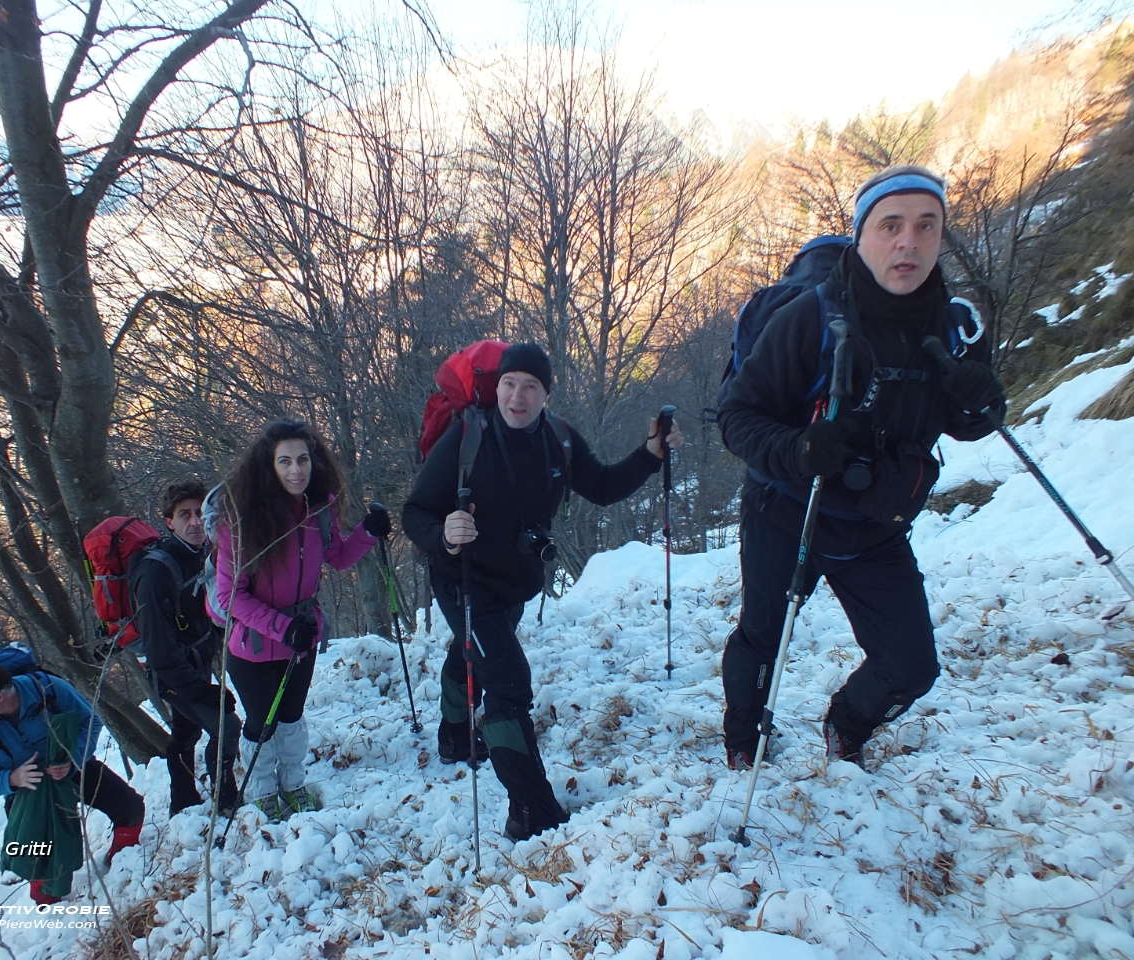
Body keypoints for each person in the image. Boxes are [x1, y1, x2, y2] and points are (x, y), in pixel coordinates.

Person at [716, 165, 1005, 770]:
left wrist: (983, 403)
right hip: (787, 512)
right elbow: (738, 416)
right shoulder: (810, 321)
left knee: (911, 667)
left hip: (875, 523)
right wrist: (797, 449)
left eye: (927, 226)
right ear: (862, 235)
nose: (909, 242)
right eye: (891, 225)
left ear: (941, 234)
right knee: (762, 638)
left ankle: (847, 721)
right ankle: (744, 738)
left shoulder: (954, 326)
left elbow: (964, 419)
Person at [402, 343, 684, 841]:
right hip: (464, 582)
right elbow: (415, 512)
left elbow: (600, 485)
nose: (517, 396)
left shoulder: (558, 438)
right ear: (498, 388)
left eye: (530, 386)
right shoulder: (467, 437)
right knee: (507, 683)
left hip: (516, 583)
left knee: (474, 653)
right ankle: (531, 812)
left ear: (546, 395)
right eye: (510, 384)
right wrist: (443, 534)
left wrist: (649, 455)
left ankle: (452, 737)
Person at [214, 419, 389, 820]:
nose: (296, 470)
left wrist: (368, 531)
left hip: (303, 636)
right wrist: (282, 627)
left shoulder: (318, 510)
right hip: (255, 646)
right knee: (262, 722)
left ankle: (292, 783)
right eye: (285, 461)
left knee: (291, 717)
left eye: (303, 460)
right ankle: (262, 792)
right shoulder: (239, 522)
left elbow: (338, 557)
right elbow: (228, 597)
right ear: (268, 466)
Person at [0, 660, 145, 904]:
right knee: (37, 859)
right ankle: (50, 904)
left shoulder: (48, 688)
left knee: (131, 809)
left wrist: (73, 759)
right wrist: (11, 778)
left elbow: (91, 720)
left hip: (72, 769)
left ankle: (122, 858)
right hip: (26, 790)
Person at [131, 480, 242, 817]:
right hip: (171, 672)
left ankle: (182, 799)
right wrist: (201, 691)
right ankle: (226, 802)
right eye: (184, 515)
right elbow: (161, 650)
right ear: (169, 522)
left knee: (186, 729)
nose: (195, 522)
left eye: (199, 513)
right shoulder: (156, 572)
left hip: (196, 660)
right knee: (226, 727)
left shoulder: (206, 556)